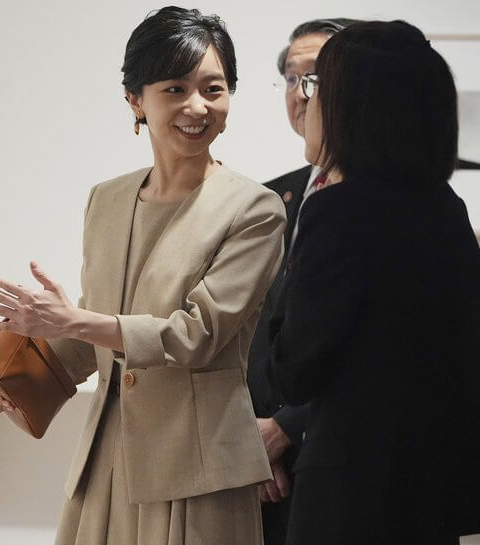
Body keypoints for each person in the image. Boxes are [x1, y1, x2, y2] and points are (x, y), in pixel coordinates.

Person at [0, 7, 286, 544]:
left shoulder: (254, 210)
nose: (197, 106)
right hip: (106, 463)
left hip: (198, 470)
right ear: (135, 100)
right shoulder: (107, 200)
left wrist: (72, 320)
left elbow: (197, 336)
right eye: (175, 88)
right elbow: (92, 345)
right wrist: (15, 379)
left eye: (214, 88)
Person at [269, 20, 480, 545]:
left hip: (350, 497)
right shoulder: (447, 210)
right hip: (430, 492)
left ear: (352, 105)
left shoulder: (339, 211)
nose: (304, 100)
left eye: (316, 85)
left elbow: (292, 369)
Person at [245, 17, 358, 545]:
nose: (301, 93)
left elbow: (377, 339)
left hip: (357, 465)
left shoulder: (393, 202)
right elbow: (250, 327)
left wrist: (287, 425)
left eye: (316, 77)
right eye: (292, 78)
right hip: (265, 477)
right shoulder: (267, 201)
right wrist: (256, 437)